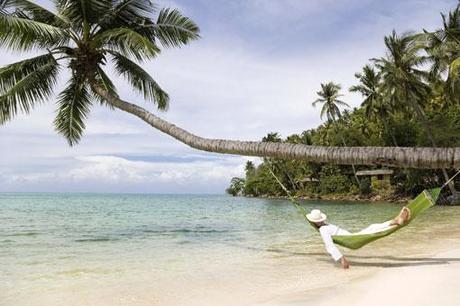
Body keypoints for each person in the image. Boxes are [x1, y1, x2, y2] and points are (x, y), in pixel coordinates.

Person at [306, 207, 411, 269]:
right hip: (352, 239)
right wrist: (341, 259)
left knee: (372, 227)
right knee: (373, 229)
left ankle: (396, 221)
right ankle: (396, 221)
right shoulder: (323, 230)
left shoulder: (325, 227)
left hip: (352, 237)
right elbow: (329, 246)